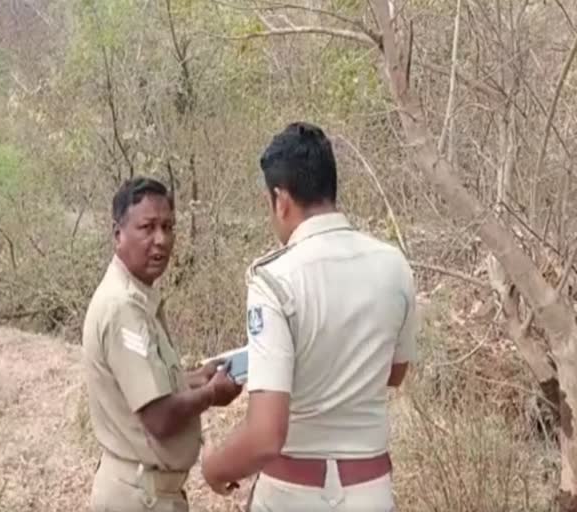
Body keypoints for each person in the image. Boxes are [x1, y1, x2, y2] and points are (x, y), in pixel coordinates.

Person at [201, 122, 419, 511]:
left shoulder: (274, 280)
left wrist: (214, 468)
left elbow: (266, 436)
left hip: (293, 495)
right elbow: (394, 372)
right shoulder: (394, 265)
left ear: (280, 199)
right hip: (371, 493)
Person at [82, 176, 243, 512]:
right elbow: (158, 417)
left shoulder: (139, 299)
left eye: (168, 227)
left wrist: (199, 376)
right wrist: (212, 394)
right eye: (148, 227)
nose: (161, 240)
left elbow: (152, 385)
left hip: (149, 492)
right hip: (139, 496)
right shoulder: (122, 307)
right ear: (118, 235)